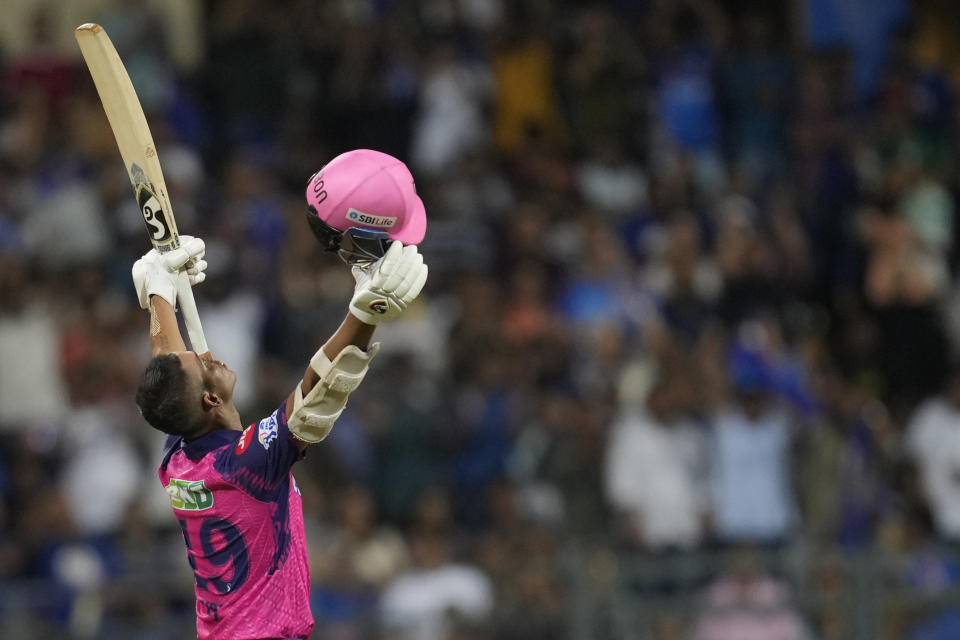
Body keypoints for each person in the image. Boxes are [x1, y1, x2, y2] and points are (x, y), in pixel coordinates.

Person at [132, 150, 429, 640]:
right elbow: (314, 398)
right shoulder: (241, 464)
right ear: (209, 400)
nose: (208, 356)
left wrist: (160, 284)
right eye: (204, 365)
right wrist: (366, 312)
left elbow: (170, 360)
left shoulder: (179, 457)